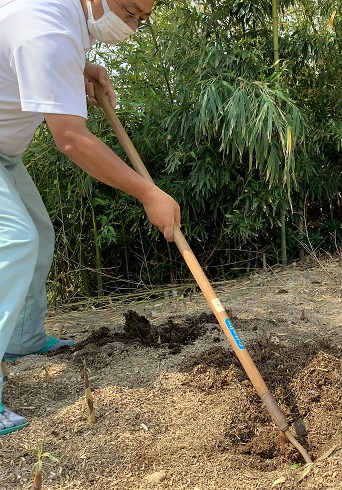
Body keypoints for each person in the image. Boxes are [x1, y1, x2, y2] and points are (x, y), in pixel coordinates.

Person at [0, 0, 180, 435]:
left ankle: (22, 340)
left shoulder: (67, 21)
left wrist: (80, 70)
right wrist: (147, 192)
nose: (132, 26)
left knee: (38, 234)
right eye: (129, 10)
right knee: (14, 240)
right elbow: (72, 140)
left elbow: (24, 62)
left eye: (142, 19)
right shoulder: (48, 29)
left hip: (5, 151)